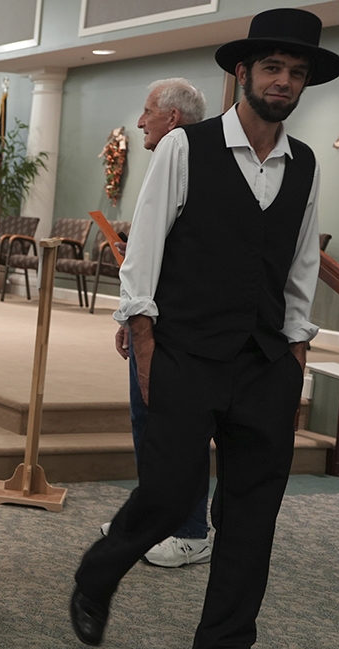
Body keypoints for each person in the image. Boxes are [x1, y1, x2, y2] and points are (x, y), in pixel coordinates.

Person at [70, 8, 339, 649]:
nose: (283, 81)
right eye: (273, 68)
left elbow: (303, 259)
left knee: (253, 514)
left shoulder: (306, 163)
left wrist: (298, 342)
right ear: (243, 73)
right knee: (169, 492)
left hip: (266, 361)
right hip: (186, 351)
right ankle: (99, 573)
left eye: (297, 73)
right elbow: (148, 247)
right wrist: (145, 335)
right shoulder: (185, 149)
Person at [102, 78, 213, 568]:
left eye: (148, 112)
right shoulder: (170, 158)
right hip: (151, 313)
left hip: (182, 324)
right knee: (146, 421)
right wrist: (132, 313)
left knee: (177, 429)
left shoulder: (201, 161)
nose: (141, 121)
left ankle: (190, 530)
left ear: (172, 118)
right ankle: (152, 519)